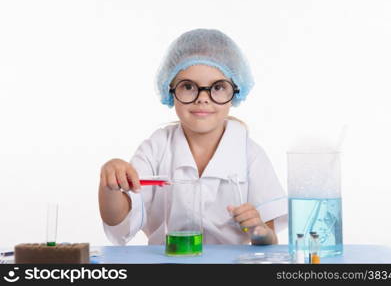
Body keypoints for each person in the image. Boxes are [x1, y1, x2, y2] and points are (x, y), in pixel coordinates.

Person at [98, 28, 288, 246]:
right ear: (169, 91)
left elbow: (269, 238)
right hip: (167, 263)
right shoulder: (156, 148)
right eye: (188, 86)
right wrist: (110, 183)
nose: (203, 99)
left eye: (217, 87)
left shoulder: (250, 154)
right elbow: (120, 222)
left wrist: (258, 230)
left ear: (235, 92)